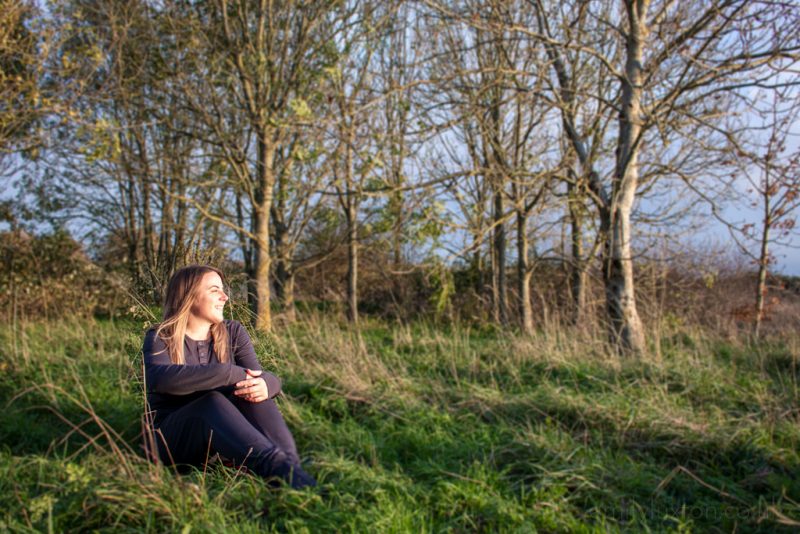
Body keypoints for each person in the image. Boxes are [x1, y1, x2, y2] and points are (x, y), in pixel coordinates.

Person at [142, 264, 316, 489]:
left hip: (218, 440)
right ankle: (282, 471)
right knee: (210, 403)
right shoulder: (160, 336)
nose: (225, 297)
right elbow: (160, 379)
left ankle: (290, 469)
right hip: (171, 441)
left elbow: (260, 377)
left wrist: (267, 385)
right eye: (215, 290)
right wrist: (227, 373)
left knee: (252, 392)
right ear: (189, 295)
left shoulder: (232, 332)